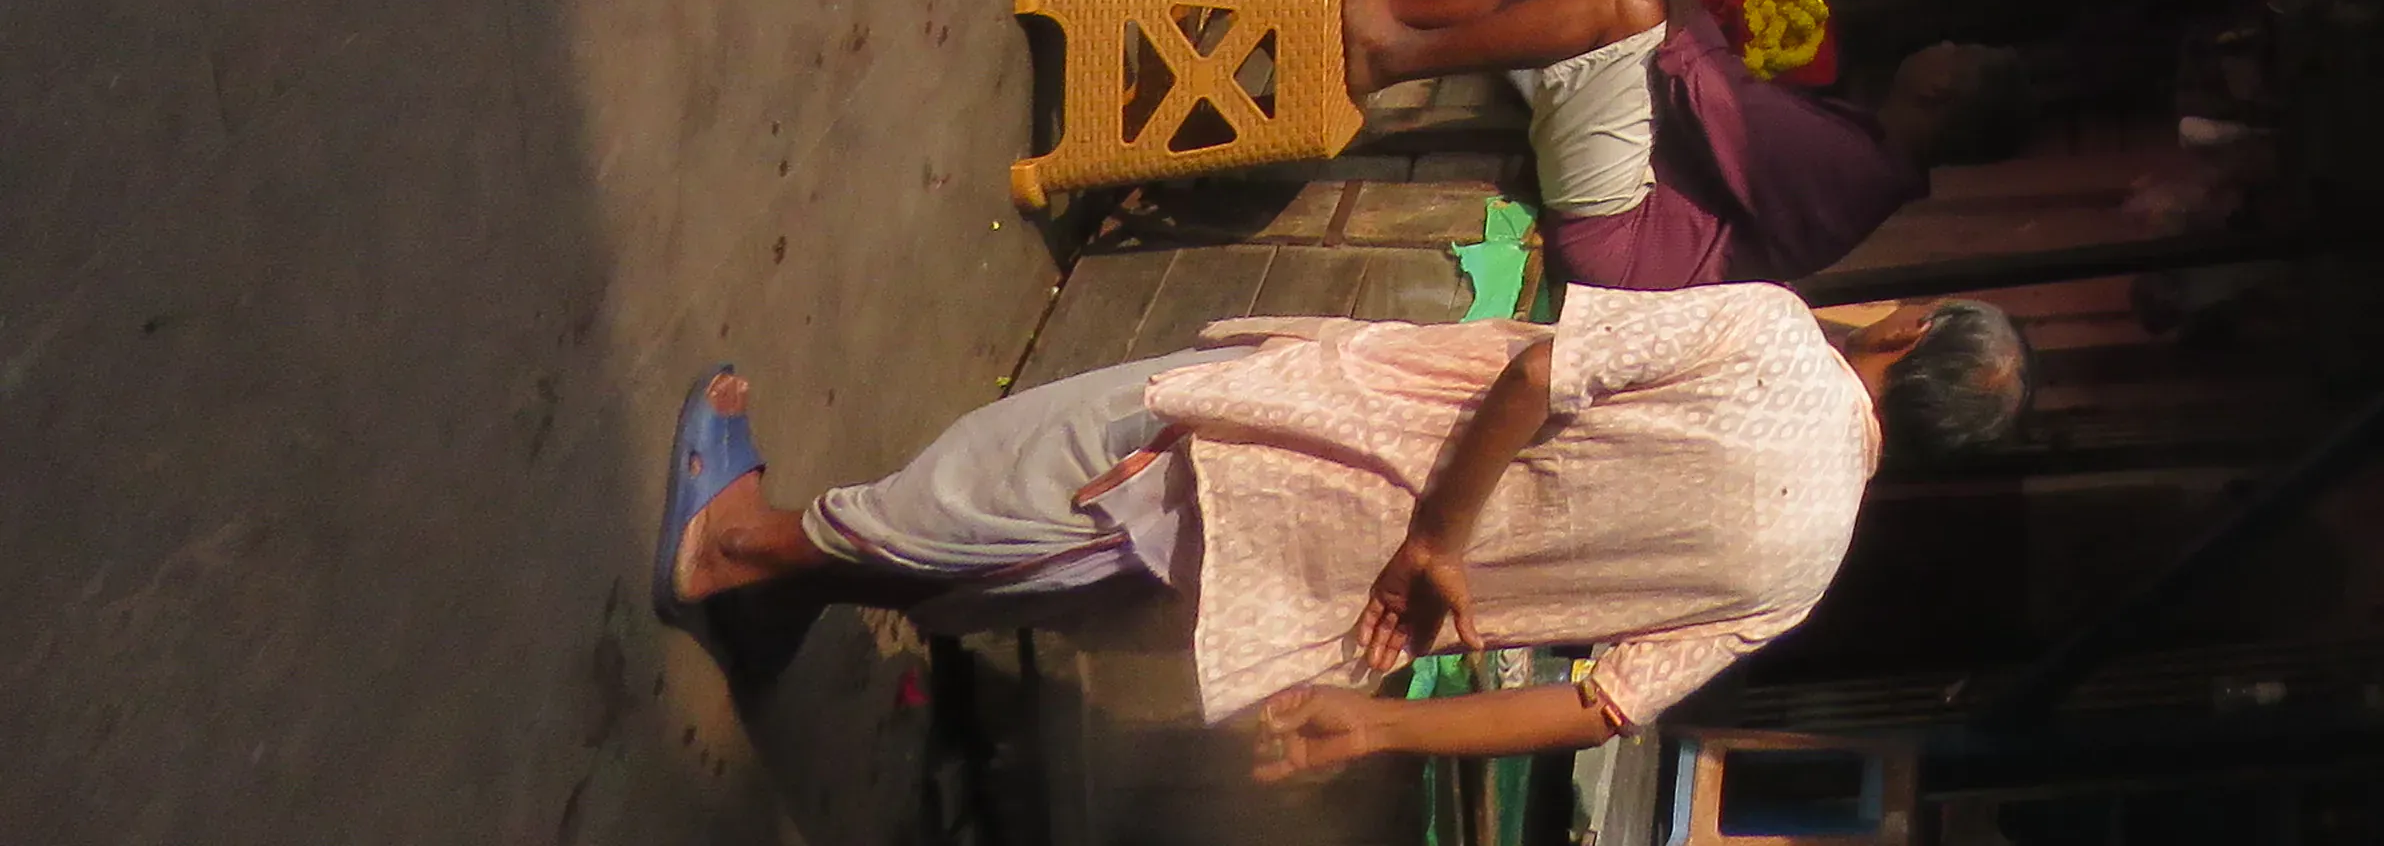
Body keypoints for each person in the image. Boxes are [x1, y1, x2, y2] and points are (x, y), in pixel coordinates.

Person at [652, 281, 2029, 779]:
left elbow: (1542, 372)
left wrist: (1443, 535)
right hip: (1323, 615)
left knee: (1031, 480)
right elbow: (1603, 707)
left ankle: (737, 548)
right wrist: (1376, 728)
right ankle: (793, 589)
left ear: (1909, 329)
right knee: (1066, 572)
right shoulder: (1804, 573)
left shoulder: (1778, 335)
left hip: (1310, 453)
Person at [1339, 0, 2032, 290]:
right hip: (1639, 189)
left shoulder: (1856, 170)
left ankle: (1392, 58)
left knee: (1629, 7)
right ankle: (1400, 10)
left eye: (1960, 51)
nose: (1944, 43)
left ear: (1941, 95)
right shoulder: (1870, 149)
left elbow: (1717, 93)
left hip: (1618, 229)